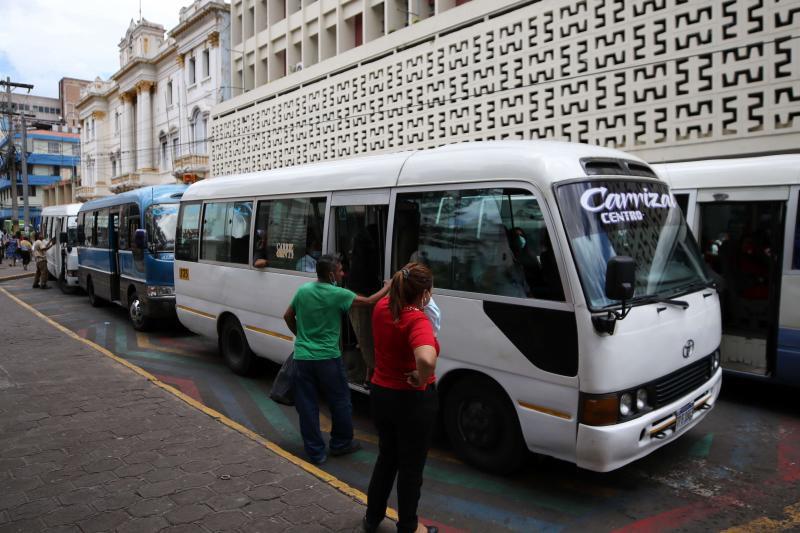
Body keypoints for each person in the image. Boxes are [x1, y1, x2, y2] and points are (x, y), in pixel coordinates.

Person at [282, 254, 389, 465]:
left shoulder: (303, 291)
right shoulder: (338, 294)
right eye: (340, 270)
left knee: (307, 407)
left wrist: (301, 337)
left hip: (303, 358)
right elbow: (368, 302)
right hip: (328, 359)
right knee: (340, 402)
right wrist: (389, 285)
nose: (343, 273)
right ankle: (341, 444)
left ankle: (315, 453)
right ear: (331, 274)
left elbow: (287, 315)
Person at [364, 263, 439, 533]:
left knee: (387, 458)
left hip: (382, 394)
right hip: (412, 402)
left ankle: (372, 519)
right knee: (410, 468)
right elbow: (426, 357)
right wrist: (421, 376)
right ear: (424, 293)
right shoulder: (416, 318)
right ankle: (408, 526)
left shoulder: (382, 307)